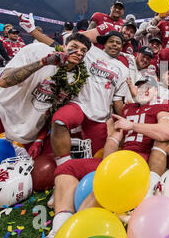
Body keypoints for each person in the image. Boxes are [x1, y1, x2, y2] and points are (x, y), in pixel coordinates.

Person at [0, 33, 91, 226]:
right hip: (5, 110)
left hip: (33, 126)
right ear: (64, 45)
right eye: (75, 46)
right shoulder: (36, 51)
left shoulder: (76, 77)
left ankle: (62, 193)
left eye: (84, 51)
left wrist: (41, 138)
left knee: (42, 174)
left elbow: (54, 113)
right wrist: (42, 63)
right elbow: (4, 81)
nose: (79, 53)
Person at [45, 76, 169, 238]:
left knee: (108, 182)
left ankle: (72, 231)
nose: (144, 90)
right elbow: (114, 139)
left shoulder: (162, 106)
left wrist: (133, 126)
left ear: (156, 91)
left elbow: (168, 131)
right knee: (66, 168)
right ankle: (59, 227)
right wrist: (108, 161)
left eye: (149, 87)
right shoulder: (128, 109)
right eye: (141, 87)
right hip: (118, 159)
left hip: (138, 162)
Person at [50, 31, 129, 167]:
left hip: (100, 115)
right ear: (104, 43)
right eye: (111, 41)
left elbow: (117, 100)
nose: (115, 45)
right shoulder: (91, 51)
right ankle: (63, 165)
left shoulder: (123, 69)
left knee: (98, 155)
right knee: (59, 120)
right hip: (80, 104)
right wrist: (32, 30)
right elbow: (71, 41)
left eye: (119, 43)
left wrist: (125, 123)